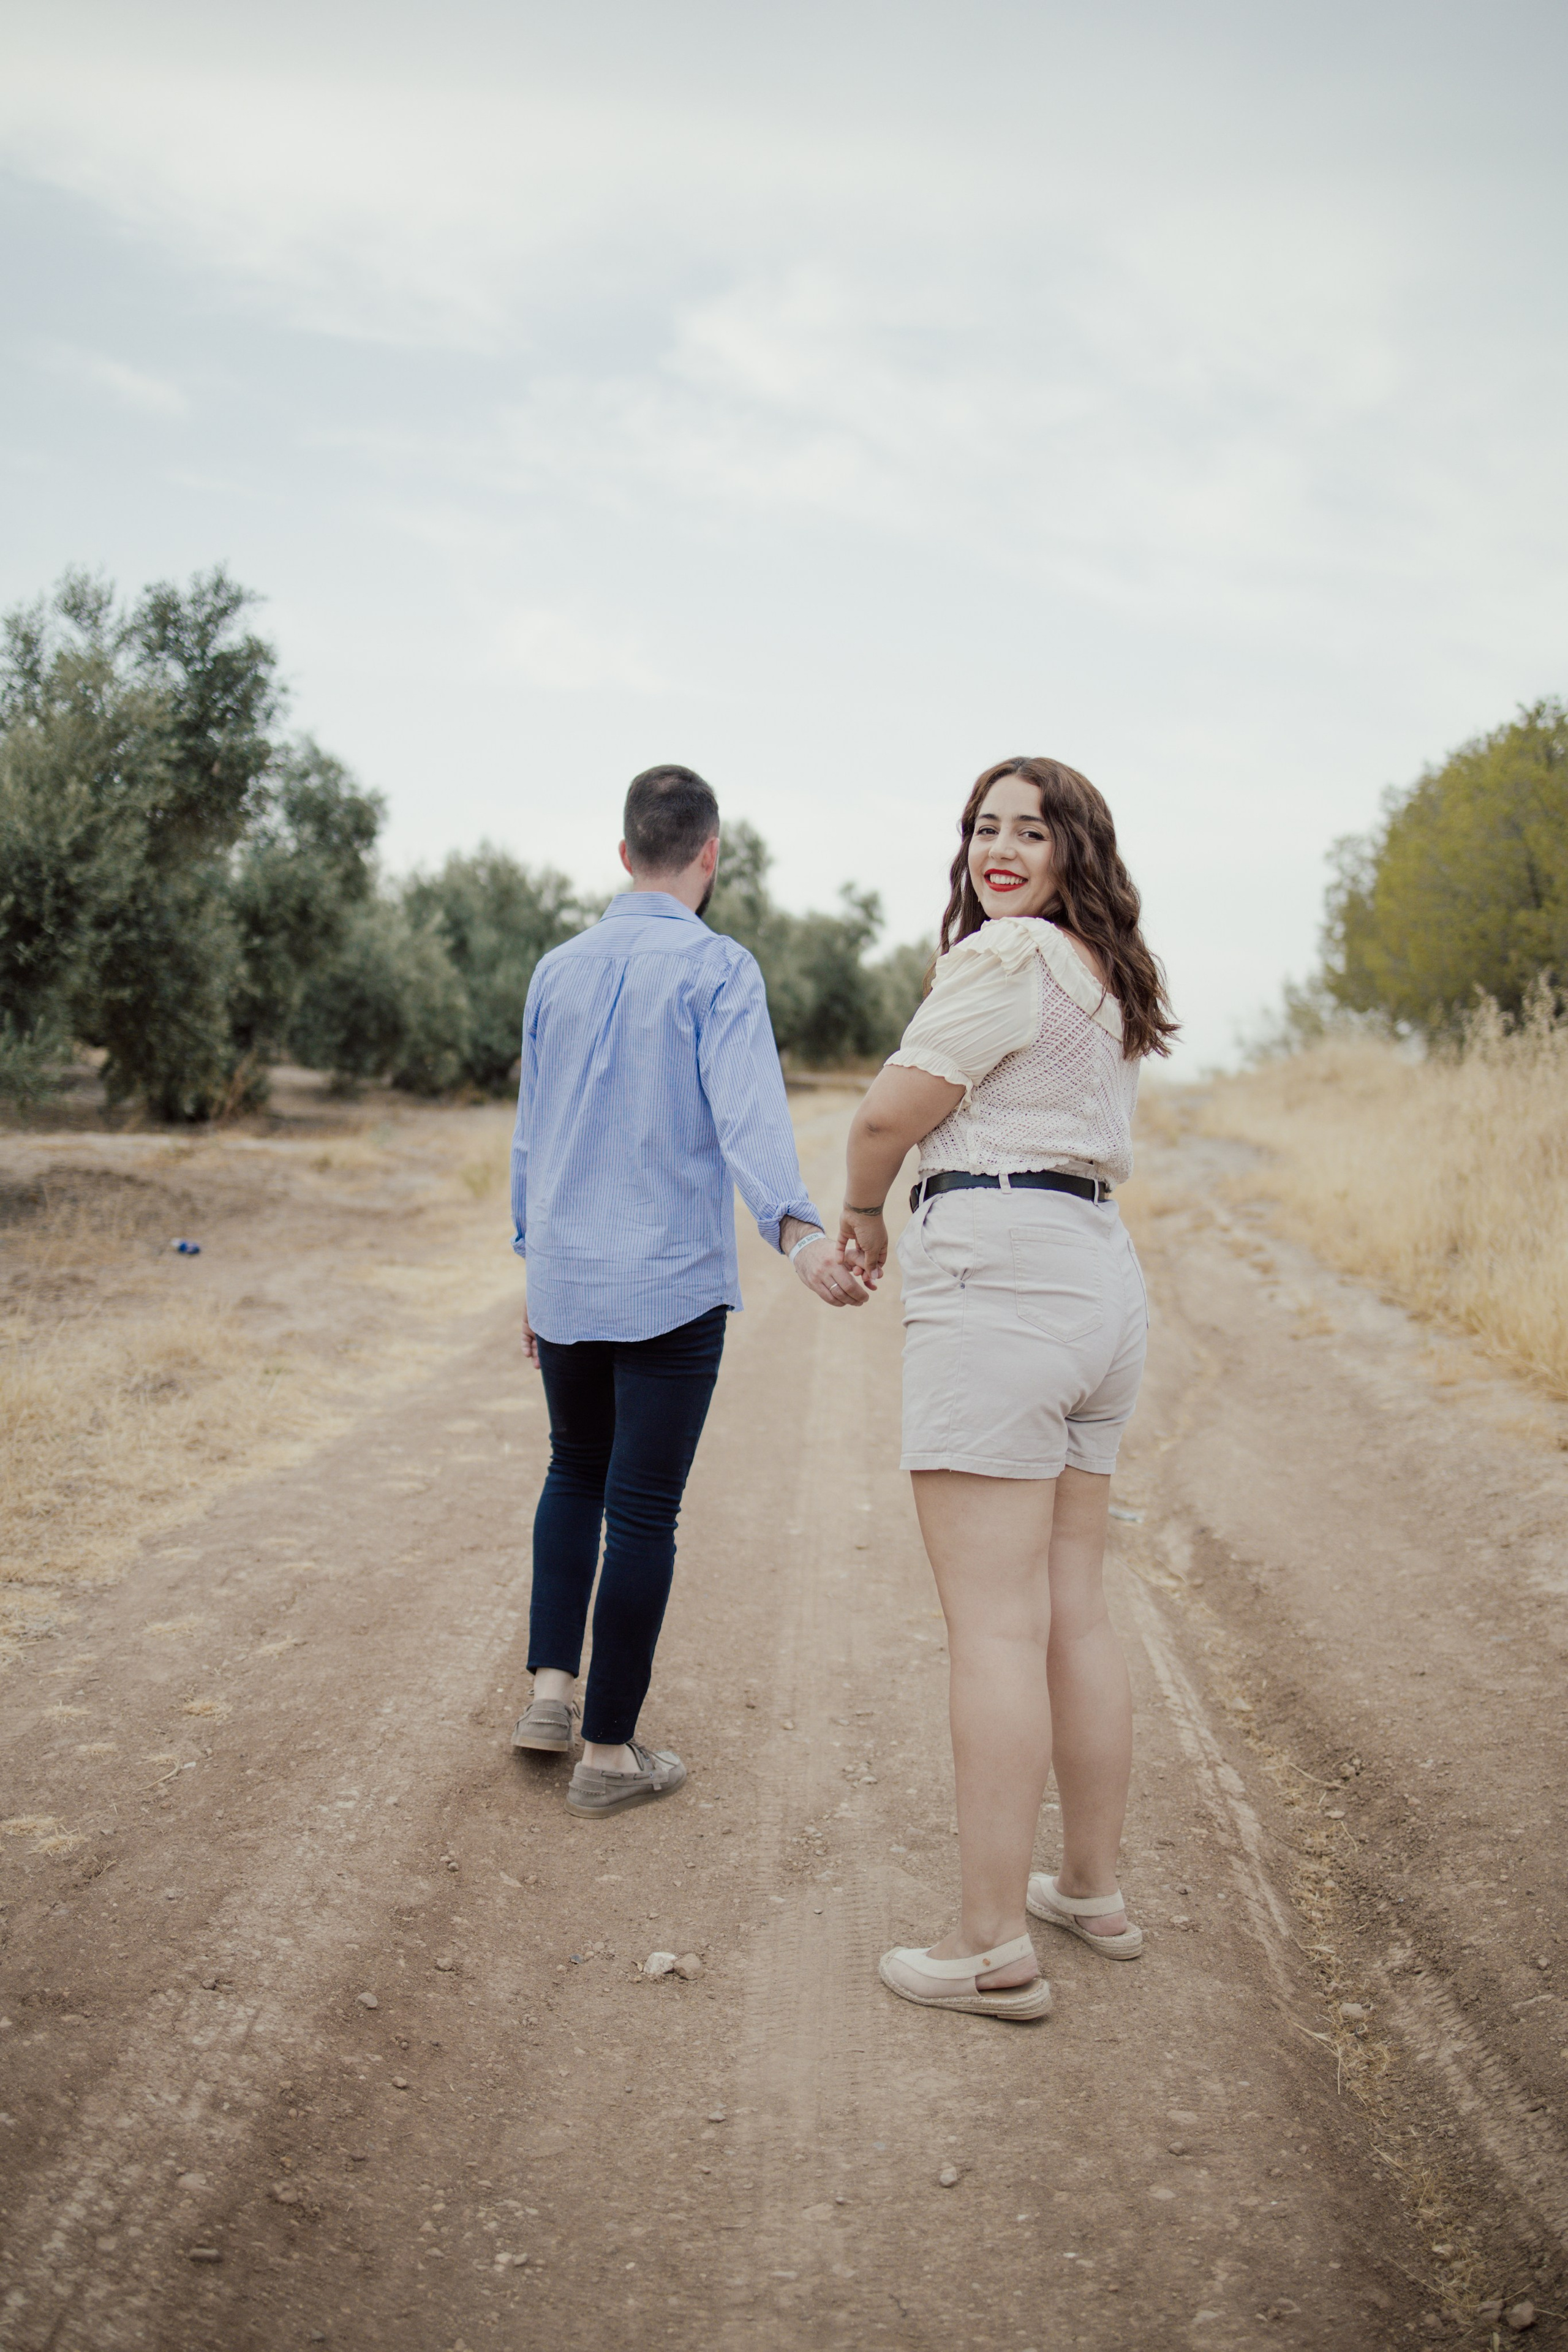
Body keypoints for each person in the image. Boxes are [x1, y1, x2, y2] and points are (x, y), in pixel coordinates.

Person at [836, 755, 1177, 2019]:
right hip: (1099, 1282)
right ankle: (1087, 1888)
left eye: (1030, 831)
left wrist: (861, 1213)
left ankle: (987, 1949)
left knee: (991, 1627)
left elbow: (885, 1115)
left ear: (1072, 850)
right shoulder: (1105, 976)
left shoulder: (1003, 958)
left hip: (1005, 1281)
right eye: (985, 827)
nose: (1001, 849)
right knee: (1070, 1608)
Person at [510, 764, 870, 1817]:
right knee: (644, 1513)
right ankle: (609, 1756)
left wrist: (533, 1260)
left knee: (572, 1470)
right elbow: (749, 1122)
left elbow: (533, 1133)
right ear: (710, 854)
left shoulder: (557, 969)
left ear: (625, 852)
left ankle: (549, 1692)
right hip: (669, 1281)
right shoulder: (720, 970)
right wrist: (799, 1235)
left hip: (569, 1275)